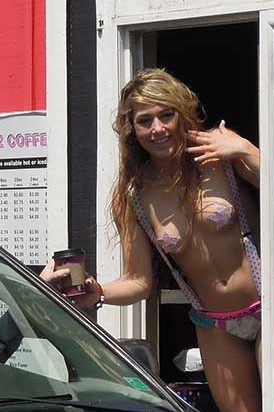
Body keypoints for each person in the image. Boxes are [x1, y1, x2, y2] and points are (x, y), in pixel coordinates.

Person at [42, 68, 262, 412]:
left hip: (270, 306)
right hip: (215, 323)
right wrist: (97, 293)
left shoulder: (218, 153)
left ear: (182, 112)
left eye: (166, 115)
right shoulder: (135, 192)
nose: (158, 129)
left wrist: (245, 149)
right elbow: (139, 281)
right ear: (133, 129)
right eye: (145, 120)